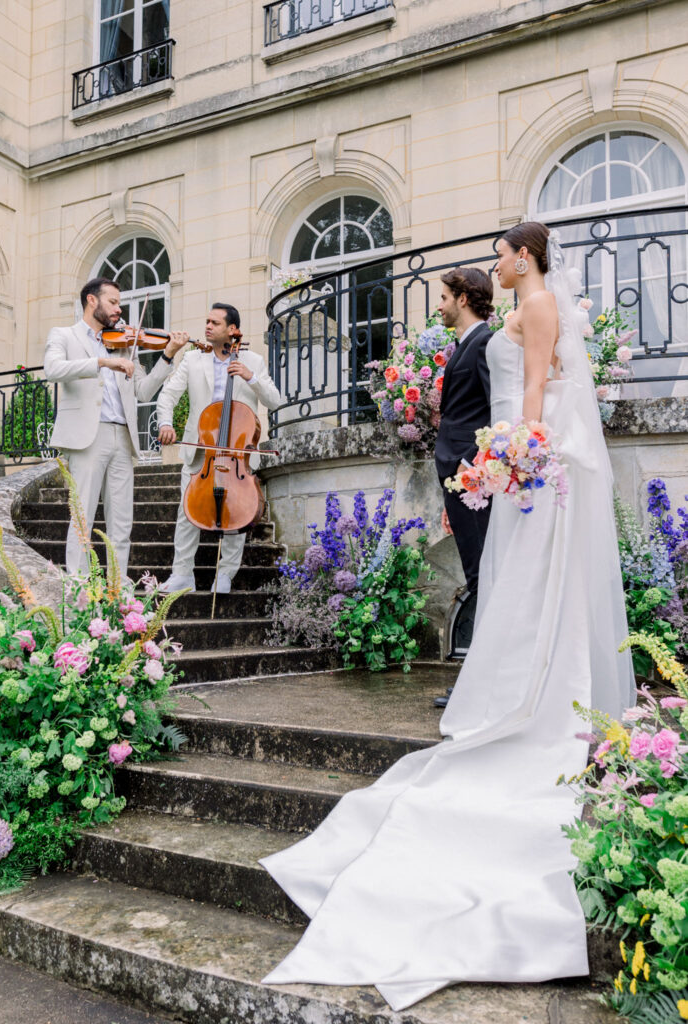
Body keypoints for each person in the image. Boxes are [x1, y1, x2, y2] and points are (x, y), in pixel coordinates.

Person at [259, 222, 636, 1009]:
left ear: (522, 257)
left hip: (530, 457)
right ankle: (517, 686)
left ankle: (532, 701)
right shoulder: (522, 305)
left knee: (527, 587)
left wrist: (516, 452)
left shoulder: (534, 309)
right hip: (524, 456)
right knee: (509, 588)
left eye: (501, 253)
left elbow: (536, 388)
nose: (493, 263)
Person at [44, 277, 188, 579]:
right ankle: (78, 591)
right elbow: (53, 369)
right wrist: (102, 362)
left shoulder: (123, 345)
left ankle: (117, 589)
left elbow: (145, 391)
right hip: (88, 438)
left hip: (123, 437)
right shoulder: (65, 335)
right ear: (91, 301)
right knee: (81, 517)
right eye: (113, 302)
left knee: (122, 521)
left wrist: (168, 355)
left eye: (119, 304)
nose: (118, 310)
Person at [156, 302, 281, 594]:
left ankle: (224, 575)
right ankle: (182, 574)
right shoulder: (193, 360)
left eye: (215, 322)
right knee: (186, 513)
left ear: (232, 330)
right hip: (201, 448)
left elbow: (274, 400)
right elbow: (168, 395)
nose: (208, 326)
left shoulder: (253, 360)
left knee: (237, 512)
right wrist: (165, 423)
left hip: (238, 451)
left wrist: (251, 377)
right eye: (207, 321)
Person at [433, 267, 494, 707]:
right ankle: (481, 681)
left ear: (464, 298)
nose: (439, 305)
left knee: (482, 577)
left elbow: (496, 412)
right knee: (480, 576)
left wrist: (471, 474)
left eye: (443, 297)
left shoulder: (486, 344)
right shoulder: (465, 344)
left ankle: (481, 685)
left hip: (473, 479)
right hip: (458, 481)